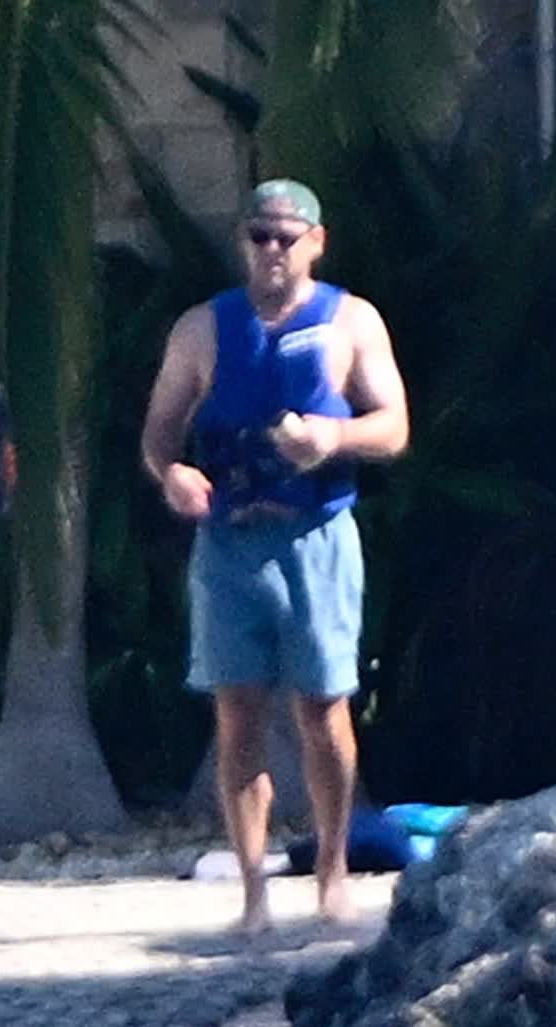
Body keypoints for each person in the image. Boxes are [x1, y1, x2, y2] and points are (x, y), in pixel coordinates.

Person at [139, 178, 410, 933]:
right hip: (230, 542)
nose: (272, 251)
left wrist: (333, 436)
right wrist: (173, 475)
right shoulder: (203, 328)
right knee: (237, 715)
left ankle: (332, 872)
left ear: (316, 243)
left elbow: (393, 427)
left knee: (323, 709)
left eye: (287, 238)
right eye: (259, 237)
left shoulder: (350, 321)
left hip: (315, 533)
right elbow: (160, 431)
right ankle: (254, 892)